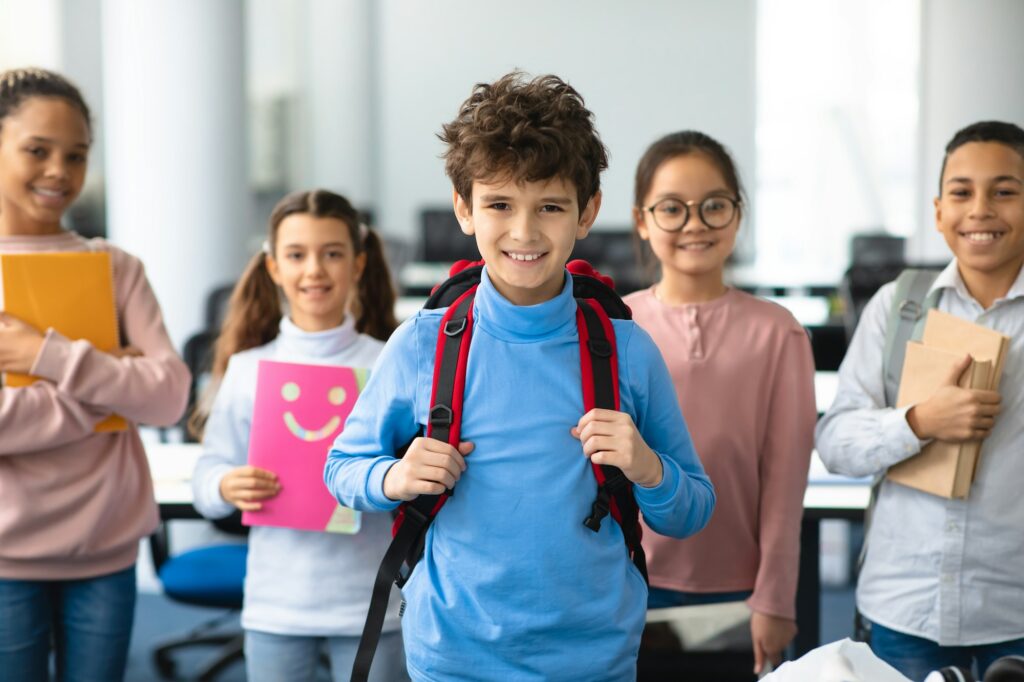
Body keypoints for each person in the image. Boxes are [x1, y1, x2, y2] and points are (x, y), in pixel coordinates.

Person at [324, 72, 716, 682]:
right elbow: (340, 471)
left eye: (550, 207)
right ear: (463, 208)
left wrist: (649, 468)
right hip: (452, 655)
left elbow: (691, 510)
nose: (525, 232)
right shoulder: (421, 345)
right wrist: (396, 475)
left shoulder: (627, 350)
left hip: (595, 657)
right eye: (499, 205)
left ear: (587, 212)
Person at [0, 67, 190, 681]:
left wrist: (46, 358)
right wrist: (108, 389)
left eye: (76, 155)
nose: (59, 170)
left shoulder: (117, 267)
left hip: (107, 547)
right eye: (37, 150)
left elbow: (166, 399)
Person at [816, 120, 1024, 681]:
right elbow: (836, 444)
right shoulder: (899, 306)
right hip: (905, 607)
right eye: (961, 192)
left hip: (1015, 611)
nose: (980, 209)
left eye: (1004, 191)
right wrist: (920, 421)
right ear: (938, 212)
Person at [190, 189, 407, 682]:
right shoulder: (247, 369)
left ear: (358, 264)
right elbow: (207, 476)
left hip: (373, 600)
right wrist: (225, 485)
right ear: (272, 267)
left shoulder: (390, 361)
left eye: (332, 253)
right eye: (296, 255)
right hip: (277, 604)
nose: (314, 270)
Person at [624, 130, 816, 674]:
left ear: (738, 213)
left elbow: (785, 481)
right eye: (671, 209)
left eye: (714, 206)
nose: (694, 224)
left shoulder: (778, 333)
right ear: (642, 220)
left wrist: (775, 597)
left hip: (741, 590)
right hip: (627, 581)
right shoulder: (614, 324)